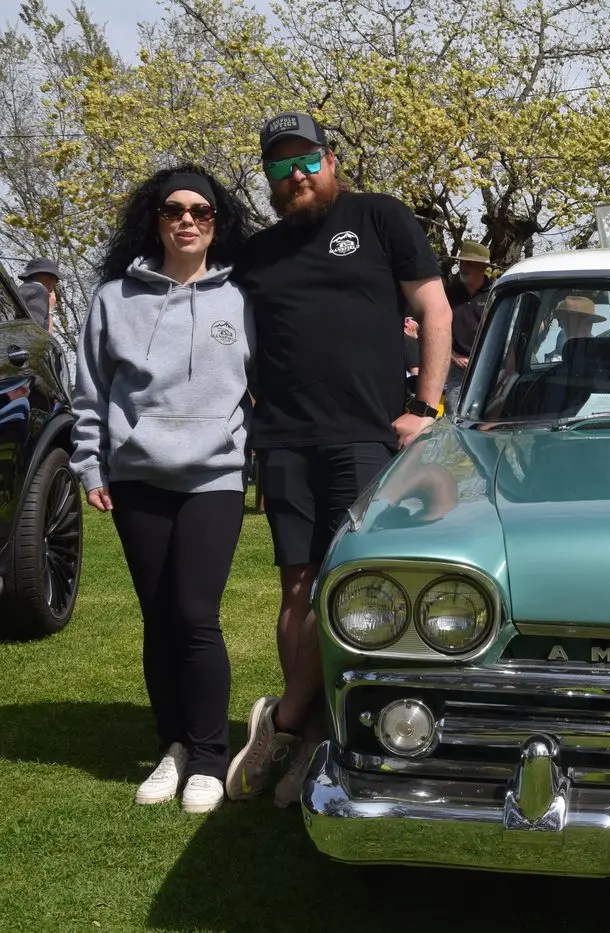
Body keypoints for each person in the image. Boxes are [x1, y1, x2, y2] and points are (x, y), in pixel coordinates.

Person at [225, 110, 453, 808]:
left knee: (344, 585)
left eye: (306, 160)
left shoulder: (379, 217)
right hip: (284, 440)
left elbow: (435, 309)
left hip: (365, 436)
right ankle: (307, 736)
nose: (295, 175)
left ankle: (295, 721)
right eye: (280, 165)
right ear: (267, 178)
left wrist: (427, 406)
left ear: (330, 162)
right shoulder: (258, 254)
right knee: (297, 586)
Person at [68, 164, 255, 814]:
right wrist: (91, 465)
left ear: (217, 223)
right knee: (158, 617)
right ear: (156, 220)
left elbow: (271, 383)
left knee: (195, 613)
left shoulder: (241, 299)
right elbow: (91, 391)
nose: (187, 221)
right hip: (138, 477)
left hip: (214, 478)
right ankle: (172, 746)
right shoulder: (113, 299)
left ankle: (208, 757)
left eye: (200, 211)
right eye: (174, 209)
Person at [543, 296, 606, 361]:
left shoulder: (596, 351)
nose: (566, 324)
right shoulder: (563, 336)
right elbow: (558, 356)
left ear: (588, 323)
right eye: (565, 318)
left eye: (571, 318)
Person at [17, 256, 59, 332]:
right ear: (47, 277)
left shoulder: (20, 289)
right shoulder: (39, 291)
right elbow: (36, 332)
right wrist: (50, 309)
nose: (55, 283)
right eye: (56, 279)